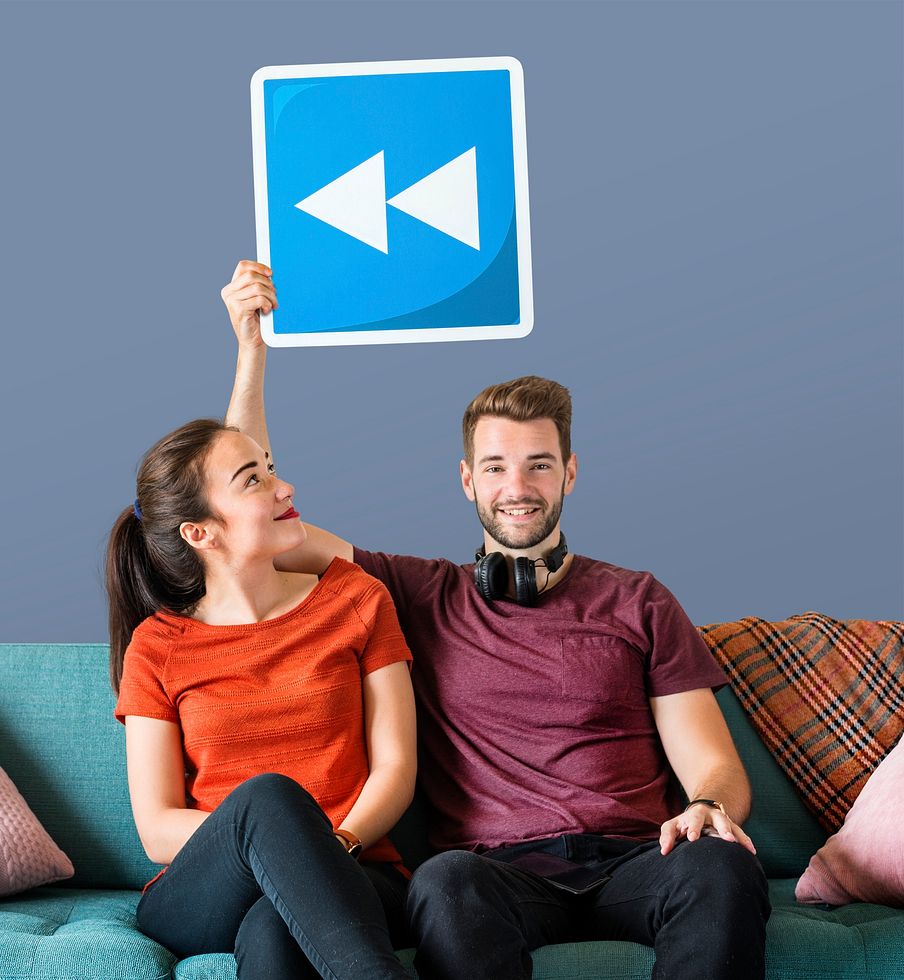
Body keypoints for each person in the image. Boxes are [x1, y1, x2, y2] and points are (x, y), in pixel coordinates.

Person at [224, 259, 772, 980]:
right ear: (465, 479)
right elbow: (253, 517)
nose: (518, 488)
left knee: (723, 867)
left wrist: (708, 806)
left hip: (640, 859)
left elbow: (714, 764)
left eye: (539, 465)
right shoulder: (417, 593)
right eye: (495, 468)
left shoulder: (639, 599)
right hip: (493, 874)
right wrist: (251, 352)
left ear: (571, 473)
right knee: (444, 881)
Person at [104, 267, 417, 980]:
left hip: (360, 865)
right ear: (199, 534)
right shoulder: (158, 647)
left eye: (272, 469)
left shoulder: (354, 598)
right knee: (268, 800)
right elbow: (157, 830)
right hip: (202, 888)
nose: (285, 488)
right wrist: (275, 837)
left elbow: (396, 767)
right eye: (257, 481)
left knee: (277, 929)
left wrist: (320, 849)